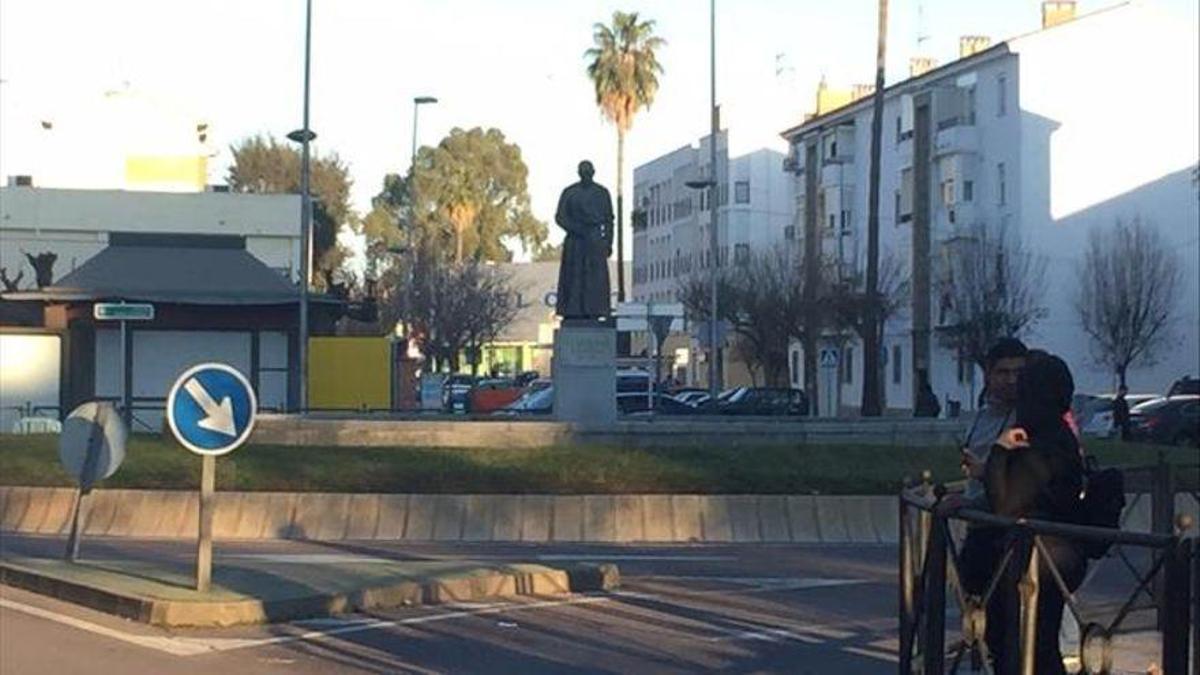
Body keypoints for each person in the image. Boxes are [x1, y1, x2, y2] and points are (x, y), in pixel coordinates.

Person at [982, 351, 1087, 674]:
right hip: (1055, 549)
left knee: (1025, 640)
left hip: (1036, 554)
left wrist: (999, 453)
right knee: (1038, 638)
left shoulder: (1038, 443)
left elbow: (1006, 505)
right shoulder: (1059, 433)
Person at [554, 160, 613, 320]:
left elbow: (609, 220)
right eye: (583, 171)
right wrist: (575, 228)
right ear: (579, 173)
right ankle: (573, 311)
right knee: (574, 278)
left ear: (593, 172)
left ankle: (595, 310)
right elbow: (560, 217)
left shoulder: (602, 192)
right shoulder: (570, 192)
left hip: (594, 241)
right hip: (575, 241)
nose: (586, 174)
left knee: (595, 278)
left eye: (588, 171)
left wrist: (608, 242)